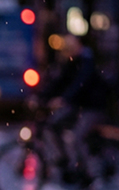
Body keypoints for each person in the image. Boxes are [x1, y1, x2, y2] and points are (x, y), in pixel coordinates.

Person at [37, 32, 108, 182]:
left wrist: (64, 99)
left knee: (77, 137)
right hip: (79, 105)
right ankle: (64, 161)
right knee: (52, 125)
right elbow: (60, 82)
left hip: (93, 107)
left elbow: (81, 83)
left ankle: (88, 172)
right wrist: (40, 96)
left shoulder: (87, 60)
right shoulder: (73, 61)